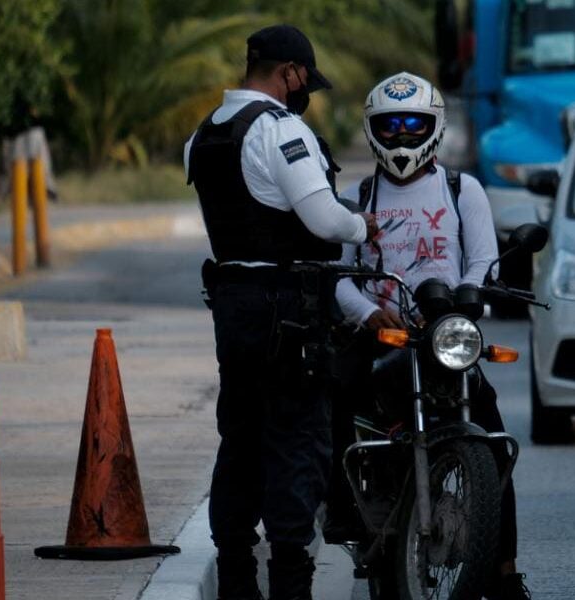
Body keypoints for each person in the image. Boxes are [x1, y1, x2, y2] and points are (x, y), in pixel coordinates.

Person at [183, 24, 378, 600]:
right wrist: (360, 223)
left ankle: (237, 579)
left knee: (239, 436)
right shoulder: (278, 129)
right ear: (288, 73)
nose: (304, 92)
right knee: (296, 439)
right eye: (303, 81)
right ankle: (291, 584)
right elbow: (322, 220)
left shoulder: (204, 134)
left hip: (232, 304)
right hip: (287, 306)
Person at [326, 72, 532, 600]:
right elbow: (341, 279)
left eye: (412, 125)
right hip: (382, 337)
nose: (399, 137)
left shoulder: (465, 189)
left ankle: (506, 573)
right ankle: (345, 513)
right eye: (388, 126)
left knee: (491, 440)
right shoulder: (355, 198)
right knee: (338, 400)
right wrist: (369, 315)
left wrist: (460, 302)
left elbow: (483, 260)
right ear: (373, 130)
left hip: (444, 335)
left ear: (433, 128)